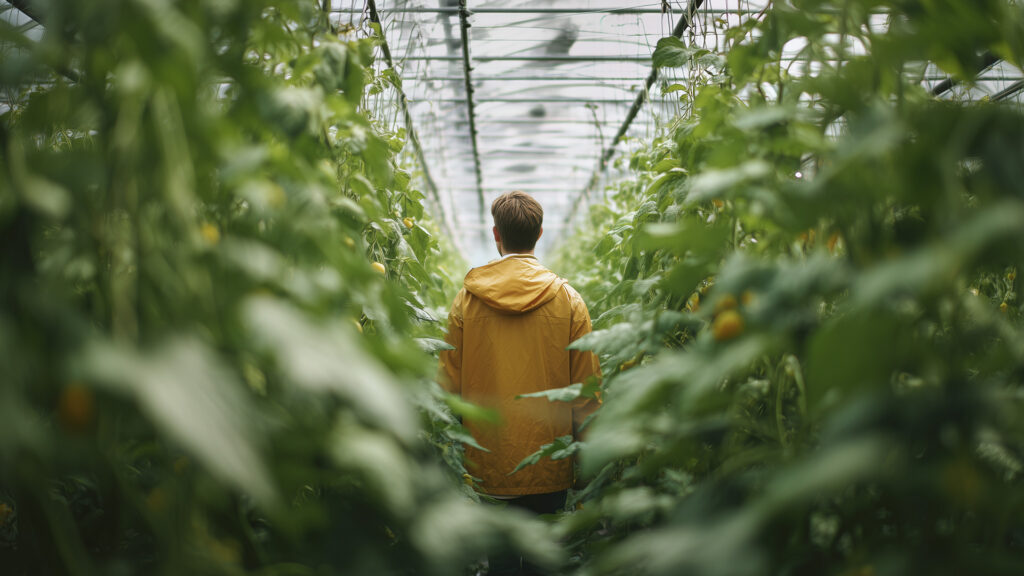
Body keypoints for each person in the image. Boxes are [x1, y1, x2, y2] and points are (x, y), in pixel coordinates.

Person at [438, 191, 601, 575]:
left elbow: (448, 385)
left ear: (496, 234)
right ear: (540, 233)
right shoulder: (569, 301)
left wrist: (451, 455)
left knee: (502, 564)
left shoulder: (467, 301)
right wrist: (587, 460)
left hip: (487, 460)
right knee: (544, 560)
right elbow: (586, 391)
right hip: (550, 460)